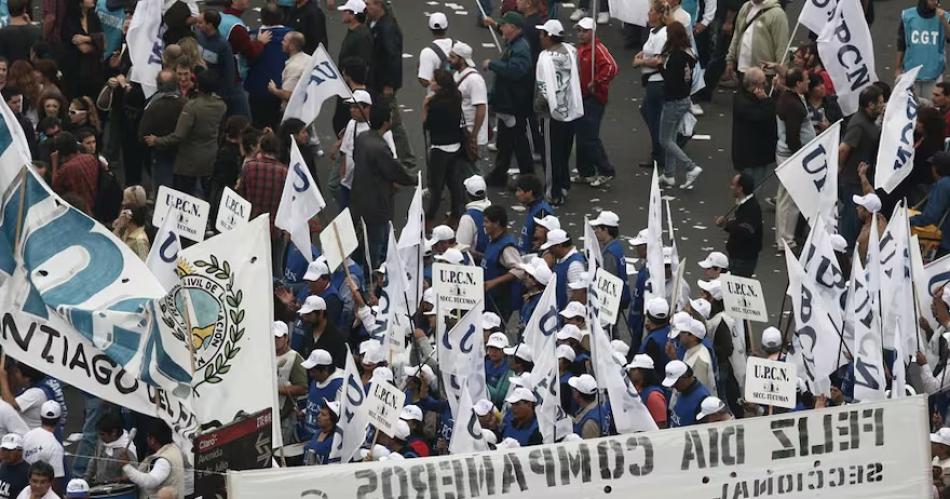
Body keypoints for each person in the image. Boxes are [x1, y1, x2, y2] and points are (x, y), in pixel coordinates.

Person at [349, 104, 415, 269]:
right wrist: (414, 179)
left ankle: (356, 269)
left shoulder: (363, 138)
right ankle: (370, 277)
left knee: (362, 240)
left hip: (359, 199)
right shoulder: (380, 147)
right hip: (377, 204)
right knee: (375, 245)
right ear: (386, 122)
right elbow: (395, 171)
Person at [145, 69, 227, 197]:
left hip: (188, 162)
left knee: (183, 198)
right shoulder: (221, 106)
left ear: (198, 85)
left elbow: (179, 135)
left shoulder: (192, 107)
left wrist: (157, 140)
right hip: (210, 158)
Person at [534, 20, 583, 206]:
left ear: (549, 36)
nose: (540, 37)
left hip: (551, 113)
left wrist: (538, 108)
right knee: (563, 151)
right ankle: (563, 185)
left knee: (550, 154)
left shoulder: (544, 57)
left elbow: (543, 87)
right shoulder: (572, 51)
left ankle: (552, 192)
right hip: (571, 110)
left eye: (542, 34)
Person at [483, 12, 535, 186]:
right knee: (506, 142)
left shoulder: (520, 49)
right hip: (510, 101)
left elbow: (515, 71)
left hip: (514, 103)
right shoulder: (516, 42)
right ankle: (500, 174)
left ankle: (528, 176)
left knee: (518, 141)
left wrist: (493, 64)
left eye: (504, 25)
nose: (502, 27)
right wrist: (495, 24)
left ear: (513, 28)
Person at [366, 0, 413, 168]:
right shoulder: (376, 23)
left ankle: (407, 160)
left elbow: (392, 58)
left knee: (393, 121)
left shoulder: (386, 28)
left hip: (383, 84)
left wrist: (389, 84)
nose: (366, 7)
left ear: (379, 6)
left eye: (369, 3)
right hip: (376, 81)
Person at [573, 17, 618, 187]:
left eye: (585, 31)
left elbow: (611, 67)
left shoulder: (598, 49)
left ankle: (606, 171)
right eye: (579, 31)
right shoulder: (583, 49)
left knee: (590, 137)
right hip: (582, 97)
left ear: (593, 32)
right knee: (582, 136)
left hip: (594, 99)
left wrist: (596, 82)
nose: (581, 34)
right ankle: (586, 172)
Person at [839, 85, 885, 249]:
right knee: (852, 220)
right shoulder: (859, 124)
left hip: (861, 178)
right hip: (853, 181)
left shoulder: (869, 122)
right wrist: (839, 168)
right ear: (870, 105)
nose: (882, 105)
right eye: (879, 102)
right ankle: (846, 252)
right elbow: (844, 149)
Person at [658, 22, 703, 190]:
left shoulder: (676, 57)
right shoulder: (688, 53)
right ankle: (669, 174)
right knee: (672, 138)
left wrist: (659, 66)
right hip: (684, 99)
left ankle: (690, 167)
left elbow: (670, 81)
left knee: (665, 139)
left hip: (673, 101)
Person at [773, 68, 812, 252]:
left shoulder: (788, 98)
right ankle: (785, 240)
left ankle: (784, 238)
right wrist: (800, 155)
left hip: (787, 153)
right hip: (792, 155)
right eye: (806, 79)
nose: (808, 82)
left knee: (786, 197)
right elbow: (792, 136)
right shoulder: (793, 105)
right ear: (798, 83)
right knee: (789, 198)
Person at [422, 69, 467, 225]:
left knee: (436, 186)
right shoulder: (456, 98)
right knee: (454, 183)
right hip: (455, 145)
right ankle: (455, 215)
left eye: (433, 81)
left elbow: (427, 125)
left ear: (440, 86)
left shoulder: (434, 104)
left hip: (439, 148)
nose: (431, 82)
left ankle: (429, 218)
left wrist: (425, 108)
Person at [634, 0, 670, 170]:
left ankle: (659, 154)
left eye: (651, 11)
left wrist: (640, 62)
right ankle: (661, 148)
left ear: (658, 15)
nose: (648, 14)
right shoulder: (653, 32)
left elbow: (658, 60)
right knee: (648, 113)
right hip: (651, 82)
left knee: (654, 119)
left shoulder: (662, 34)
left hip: (657, 83)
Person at [236, 132, 288, 248]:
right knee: (273, 263)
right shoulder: (284, 172)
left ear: (261, 147)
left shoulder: (249, 167)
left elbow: (241, 193)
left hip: (251, 224)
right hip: (274, 228)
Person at [139, 70, 185, 193]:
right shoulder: (186, 104)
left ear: (158, 85)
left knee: (163, 194)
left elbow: (142, 134)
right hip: (183, 155)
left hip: (161, 154)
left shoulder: (154, 106)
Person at [244, 4, 288, 129]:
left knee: (259, 125)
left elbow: (248, 60)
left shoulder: (252, 36)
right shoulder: (291, 36)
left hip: (259, 89)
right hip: (284, 89)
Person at [730, 67, 775, 189]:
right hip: (751, 155)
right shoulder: (744, 103)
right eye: (763, 82)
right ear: (754, 85)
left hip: (754, 154)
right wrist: (766, 100)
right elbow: (764, 116)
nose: (766, 85)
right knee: (752, 189)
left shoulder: (742, 97)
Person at [194, 10, 245, 117]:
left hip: (216, 94)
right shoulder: (199, 37)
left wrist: (223, 97)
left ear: (210, 25)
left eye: (201, 23)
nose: (198, 25)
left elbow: (229, 74)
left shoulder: (223, 46)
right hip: (200, 89)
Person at [724, 0, 788, 82]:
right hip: (742, 70)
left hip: (764, 74)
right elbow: (737, 35)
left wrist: (782, 71)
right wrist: (730, 60)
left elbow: (781, 45)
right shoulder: (745, 7)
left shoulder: (778, 14)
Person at [897, 0, 950, 97]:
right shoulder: (908, 15)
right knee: (912, 108)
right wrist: (898, 68)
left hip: (934, 73)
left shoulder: (944, 17)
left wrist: (944, 21)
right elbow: (901, 43)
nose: (935, 2)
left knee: (931, 108)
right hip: (911, 73)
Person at [450, 42, 489, 174]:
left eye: (453, 56)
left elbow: (481, 109)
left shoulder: (474, 80)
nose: (449, 59)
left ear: (462, 60)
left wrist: (473, 136)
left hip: (473, 136)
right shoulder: (457, 76)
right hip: (462, 134)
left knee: (475, 173)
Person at [121, 420, 185, 499]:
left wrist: (126, 466)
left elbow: (150, 481)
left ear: (152, 440)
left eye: (148, 437)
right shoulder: (175, 449)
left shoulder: (163, 460)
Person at [715, 172, 763, 276]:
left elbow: (745, 231)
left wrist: (726, 224)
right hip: (737, 256)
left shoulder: (751, 208)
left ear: (740, 188)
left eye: (733, 184)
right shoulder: (743, 204)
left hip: (743, 259)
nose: (731, 187)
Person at [0, 364, 66, 433]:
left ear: (27, 378)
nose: (14, 374)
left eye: (17, 372)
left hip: (30, 438)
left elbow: (9, 405)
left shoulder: (36, 393)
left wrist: (3, 379)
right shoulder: (42, 384)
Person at [482, 205, 521, 320]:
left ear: (497, 223)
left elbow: (519, 270)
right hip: (488, 298)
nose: (484, 225)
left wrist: (494, 282)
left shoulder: (507, 247)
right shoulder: (493, 240)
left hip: (499, 301)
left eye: (486, 222)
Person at [590, 210, 631, 318]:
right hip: (620, 297)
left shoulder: (609, 253)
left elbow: (607, 279)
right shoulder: (616, 247)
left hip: (611, 302)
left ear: (606, 230)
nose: (595, 232)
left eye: (598, 229)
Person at [274, 322, 308, 444]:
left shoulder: (294, 358)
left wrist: (277, 389)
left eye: (278, 337)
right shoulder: (266, 355)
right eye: (272, 337)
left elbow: (302, 388)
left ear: (286, 338)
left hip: (285, 415)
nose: (275, 340)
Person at [912, 152, 950, 259]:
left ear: (937, 168)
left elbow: (931, 216)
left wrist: (909, 221)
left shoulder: (943, 185)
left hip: (945, 245)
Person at [50, 132, 99, 214]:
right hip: (97, 203)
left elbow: (54, 189)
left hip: (80, 210)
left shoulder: (65, 169)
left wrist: (54, 163)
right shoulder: (91, 158)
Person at [83, 412, 136, 485]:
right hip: (98, 487)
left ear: (114, 432)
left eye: (102, 434)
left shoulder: (127, 452)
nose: (100, 437)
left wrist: (110, 482)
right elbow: (94, 460)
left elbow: (131, 479)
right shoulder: (102, 441)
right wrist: (85, 480)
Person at [21, 403, 63, 494]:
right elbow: (56, 480)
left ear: (41, 417)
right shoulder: (55, 446)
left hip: (24, 486)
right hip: (42, 492)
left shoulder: (27, 435)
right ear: (59, 419)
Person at [541, 229, 587, 311]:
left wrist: (567, 314)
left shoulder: (574, 265)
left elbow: (578, 293)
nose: (549, 251)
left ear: (559, 246)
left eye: (551, 248)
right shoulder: (561, 259)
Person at [663, 360, 711, 427]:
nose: (673, 386)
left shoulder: (702, 399)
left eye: (676, 382)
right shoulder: (682, 390)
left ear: (685, 376)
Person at [267, 31, 307, 110]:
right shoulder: (309, 59)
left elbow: (288, 95)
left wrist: (274, 90)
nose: (282, 42)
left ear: (292, 46)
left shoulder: (294, 67)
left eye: (284, 41)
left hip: (292, 113)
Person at [626, 355, 668, 428]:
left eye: (633, 369)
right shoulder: (637, 389)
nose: (630, 372)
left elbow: (661, 426)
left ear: (642, 372)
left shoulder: (654, 396)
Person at [514, 174, 554, 253]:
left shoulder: (542, 212)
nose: (516, 194)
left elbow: (540, 244)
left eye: (519, 190)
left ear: (529, 192)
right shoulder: (534, 208)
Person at [457, 175, 491, 259]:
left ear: (466, 194)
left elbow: (461, 248)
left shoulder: (468, 218)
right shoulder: (493, 210)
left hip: (476, 266)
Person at [417, 12, 453, 88]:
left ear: (429, 28)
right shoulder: (459, 46)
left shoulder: (427, 52)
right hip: (459, 95)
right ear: (446, 27)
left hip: (438, 97)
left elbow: (424, 81)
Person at [0, 0, 41, 64]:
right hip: (30, 72)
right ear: (24, 9)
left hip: (10, 72)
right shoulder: (36, 32)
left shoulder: (2, 34)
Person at [337, 0, 373, 66]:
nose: (342, 13)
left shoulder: (362, 36)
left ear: (353, 15)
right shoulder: (355, 32)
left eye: (345, 11)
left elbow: (363, 63)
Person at [303, 400, 339, 465]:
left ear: (332, 419)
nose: (319, 416)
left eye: (323, 415)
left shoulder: (335, 440)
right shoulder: (318, 432)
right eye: (320, 413)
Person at [568, 375, 603, 439]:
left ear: (577, 394)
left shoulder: (590, 424)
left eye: (574, 389)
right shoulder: (599, 407)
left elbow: (589, 447)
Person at [0, 434, 29, 499]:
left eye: (10, 450)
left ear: (20, 451)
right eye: (4, 449)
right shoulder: (2, 465)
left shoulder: (28, 472)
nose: (6, 453)